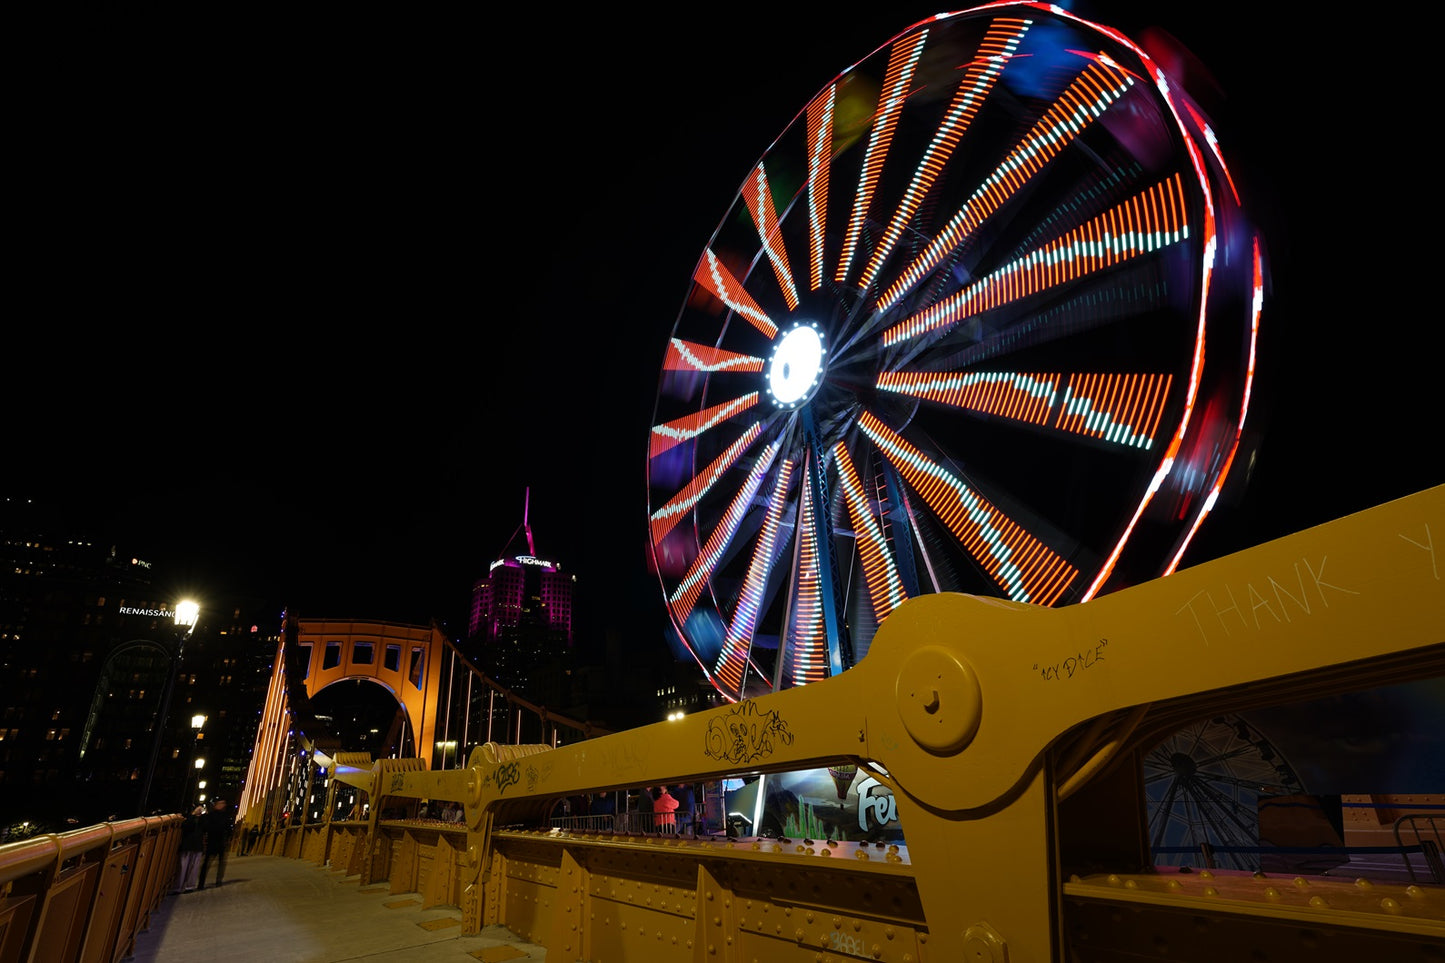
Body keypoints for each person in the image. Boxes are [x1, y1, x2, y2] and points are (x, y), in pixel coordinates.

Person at [198, 797, 234, 889]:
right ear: (216, 805)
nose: (223, 805)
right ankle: (201, 883)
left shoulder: (225, 816)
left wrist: (228, 839)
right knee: (206, 863)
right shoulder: (211, 815)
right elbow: (205, 827)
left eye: (223, 803)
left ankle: (218, 881)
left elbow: (228, 829)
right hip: (212, 842)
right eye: (221, 803)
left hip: (221, 843)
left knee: (220, 863)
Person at [176, 805, 205, 893]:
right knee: (183, 867)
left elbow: (205, 828)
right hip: (188, 844)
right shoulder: (189, 818)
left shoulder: (203, 819)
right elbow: (185, 826)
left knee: (193, 867)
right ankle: (179, 887)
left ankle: (189, 886)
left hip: (196, 845)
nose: (199, 811)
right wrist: (193, 815)